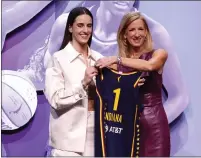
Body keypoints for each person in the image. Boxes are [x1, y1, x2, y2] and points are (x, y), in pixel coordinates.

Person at [45, 1, 189, 124]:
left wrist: (138, 130)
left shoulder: (154, 33)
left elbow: (179, 98)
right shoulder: (66, 25)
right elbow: (51, 79)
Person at [95, 11, 170, 157]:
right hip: (127, 126)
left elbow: (149, 66)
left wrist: (117, 60)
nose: (137, 34)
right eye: (132, 29)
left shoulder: (158, 54)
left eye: (141, 29)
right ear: (124, 34)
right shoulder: (118, 66)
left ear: (147, 32)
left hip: (153, 127)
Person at [44, 7, 103, 156]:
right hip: (67, 140)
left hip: (96, 134)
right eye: (80, 25)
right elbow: (55, 99)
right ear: (70, 27)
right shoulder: (58, 59)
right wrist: (83, 83)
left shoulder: (99, 58)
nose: (85, 30)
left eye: (89, 26)